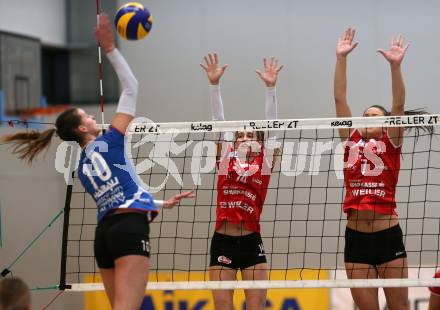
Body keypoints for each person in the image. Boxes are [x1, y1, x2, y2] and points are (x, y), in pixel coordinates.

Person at [1, 15, 194, 310]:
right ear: (81, 129)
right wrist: (110, 49)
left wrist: (159, 204)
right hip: (129, 229)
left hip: (104, 236)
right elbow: (131, 87)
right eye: (88, 117)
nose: (94, 118)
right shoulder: (111, 140)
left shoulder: (82, 168)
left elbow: (118, 194)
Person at [334, 28, 432, 310]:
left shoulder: (392, 143)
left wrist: (395, 66)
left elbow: (398, 105)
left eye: (374, 115)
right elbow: (340, 100)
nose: (366, 118)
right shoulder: (351, 141)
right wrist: (341, 59)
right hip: (356, 238)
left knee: (399, 308)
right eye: (364, 116)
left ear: (387, 122)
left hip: (388, 235)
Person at [200, 53, 283, 310]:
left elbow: (275, 131)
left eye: (251, 134)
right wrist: (214, 85)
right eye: (240, 135)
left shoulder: (264, 164)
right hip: (222, 240)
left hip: (251, 241)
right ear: (233, 142)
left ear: (260, 143)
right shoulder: (225, 160)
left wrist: (271, 89)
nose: (245, 137)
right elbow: (219, 123)